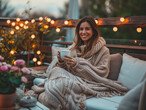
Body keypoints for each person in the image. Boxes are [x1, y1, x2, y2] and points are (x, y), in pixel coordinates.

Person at [32, 16, 128, 110]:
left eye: (87, 29)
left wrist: (78, 65)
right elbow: (64, 69)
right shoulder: (74, 47)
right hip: (72, 77)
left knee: (61, 83)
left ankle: (49, 103)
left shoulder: (104, 50)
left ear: (94, 31)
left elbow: (102, 73)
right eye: (81, 29)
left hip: (88, 82)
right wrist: (61, 62)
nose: (83, 32)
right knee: (56, 70)